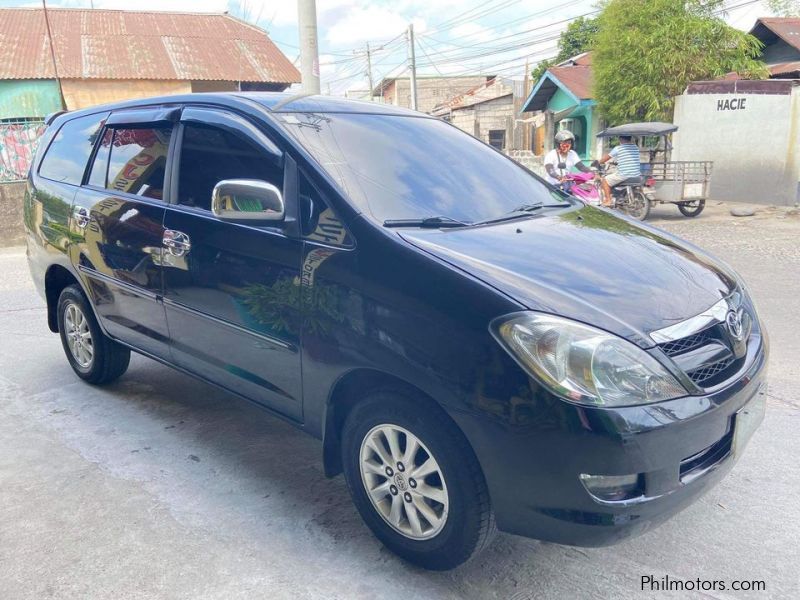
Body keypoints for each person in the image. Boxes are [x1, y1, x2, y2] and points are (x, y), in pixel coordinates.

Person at [598, 135, 641, 206]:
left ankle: (608, 200)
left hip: (624, 174)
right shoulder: (635, 147)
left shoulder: (618, 148)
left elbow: (606, 158)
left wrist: (598, 162)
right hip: (636, 173)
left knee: (605, 180)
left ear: (620, 139)